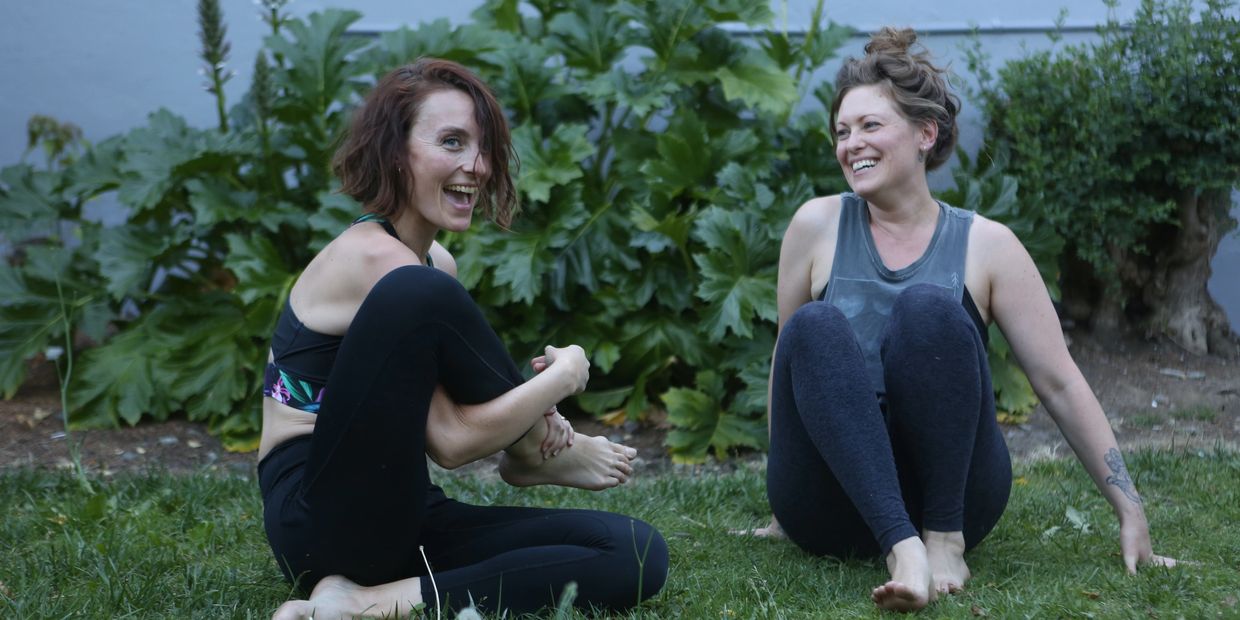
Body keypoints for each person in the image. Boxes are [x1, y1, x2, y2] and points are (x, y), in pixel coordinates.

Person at [748, 27, 1177, 612]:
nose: (851, 144)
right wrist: (784, 499)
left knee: (928, 309)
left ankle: (940, 542)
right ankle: (903, 546)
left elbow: (1058, 379)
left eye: (871, 126)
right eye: (842, 132)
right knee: (810, 329)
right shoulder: (815, 226)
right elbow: (790, 365)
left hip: (947, 500)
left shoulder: (988, 245)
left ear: (926, 134)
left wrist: (1131, 509)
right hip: (831, 504)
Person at [260, 58, 667, 619]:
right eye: (452, 142)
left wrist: (535, 403)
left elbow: (449, 428)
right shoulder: (371, 258)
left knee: (635, 552)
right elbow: (454, 443)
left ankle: (362, 604)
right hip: (316, 516)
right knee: (419, 292)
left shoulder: (432, 267)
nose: (475, 166)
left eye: (483, 148)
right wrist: (562, 378)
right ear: (395, 151)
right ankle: (533, 453)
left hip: (400, 514)